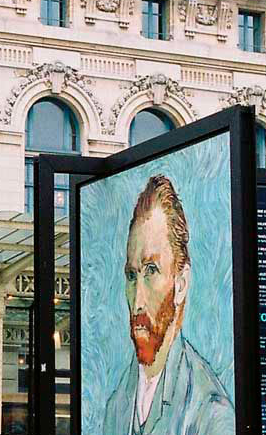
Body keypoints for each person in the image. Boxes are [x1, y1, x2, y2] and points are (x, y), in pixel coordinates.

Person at [101, 175, 233, 435]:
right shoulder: (116, 406)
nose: (137, 301)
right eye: (131, 275)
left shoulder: (211, 414)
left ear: (181, 284)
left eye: (151, 270)